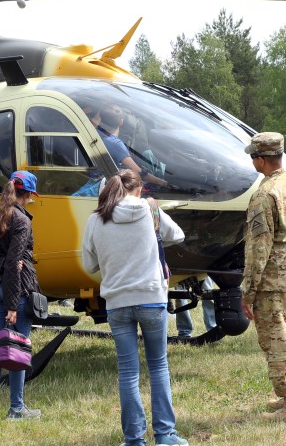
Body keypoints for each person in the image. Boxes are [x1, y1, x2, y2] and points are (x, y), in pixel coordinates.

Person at [82, 170, 188, 446]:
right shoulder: (150, 210)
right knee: (158, 366)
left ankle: (133, 439)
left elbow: (89, 265)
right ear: (138, 190)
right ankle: (165, 435)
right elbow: (178, 235)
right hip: (152, 297)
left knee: (128, 371)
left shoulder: (96, 219)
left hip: (117, 302)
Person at [240, 132, 286, 422]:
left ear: (260, 159)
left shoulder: (264, 193)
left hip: (274, 276)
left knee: (278, 339)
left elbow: (259, 247)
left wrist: (249, 290)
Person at [0, 170, 42, 421]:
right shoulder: (22, 221)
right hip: (17, 290)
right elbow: (14, 264)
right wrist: (13, 304)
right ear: (26, 195)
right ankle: (16, 409)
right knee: (18, 349)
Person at [96, 104, 169, 188]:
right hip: (106, 184)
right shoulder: (115, 144)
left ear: (101, 119)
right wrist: (163, 183)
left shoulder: (97, 134)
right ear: (121, 122)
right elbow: (139, 172)